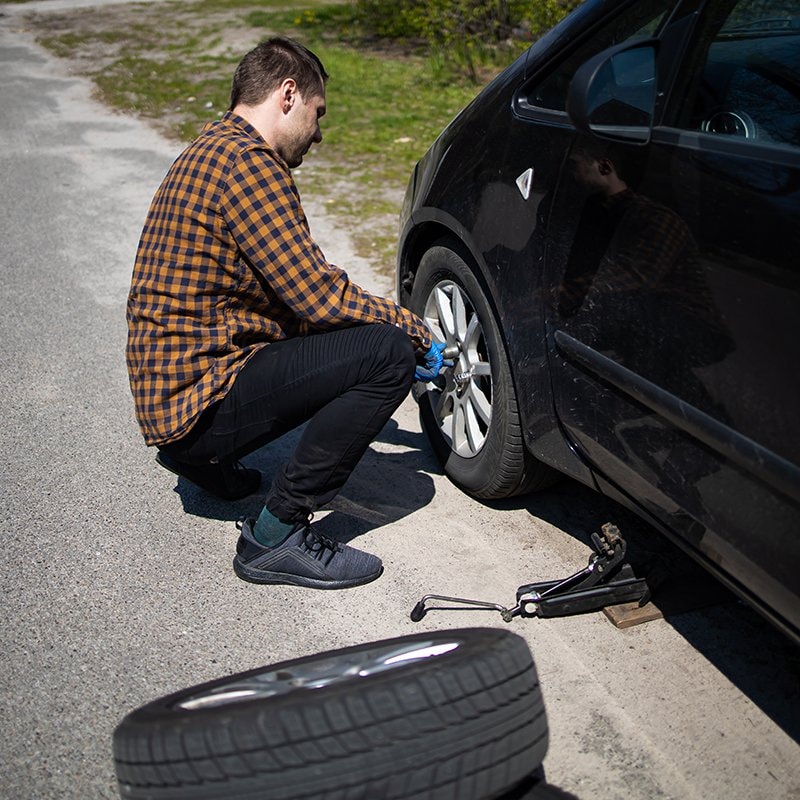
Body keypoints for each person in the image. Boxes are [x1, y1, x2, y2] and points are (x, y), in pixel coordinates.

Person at [126, 37, 447, 590]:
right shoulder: (249, 164)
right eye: (318, 114)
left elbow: (284, 302)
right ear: (288, 94)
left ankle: (202, 463)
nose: (318, 133)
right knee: (386, 354)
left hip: (171, 399)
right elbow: (319, 297)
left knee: (351, 342)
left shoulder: (212, 147)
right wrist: (411, 329)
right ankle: (275, 535)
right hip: (195, 404)